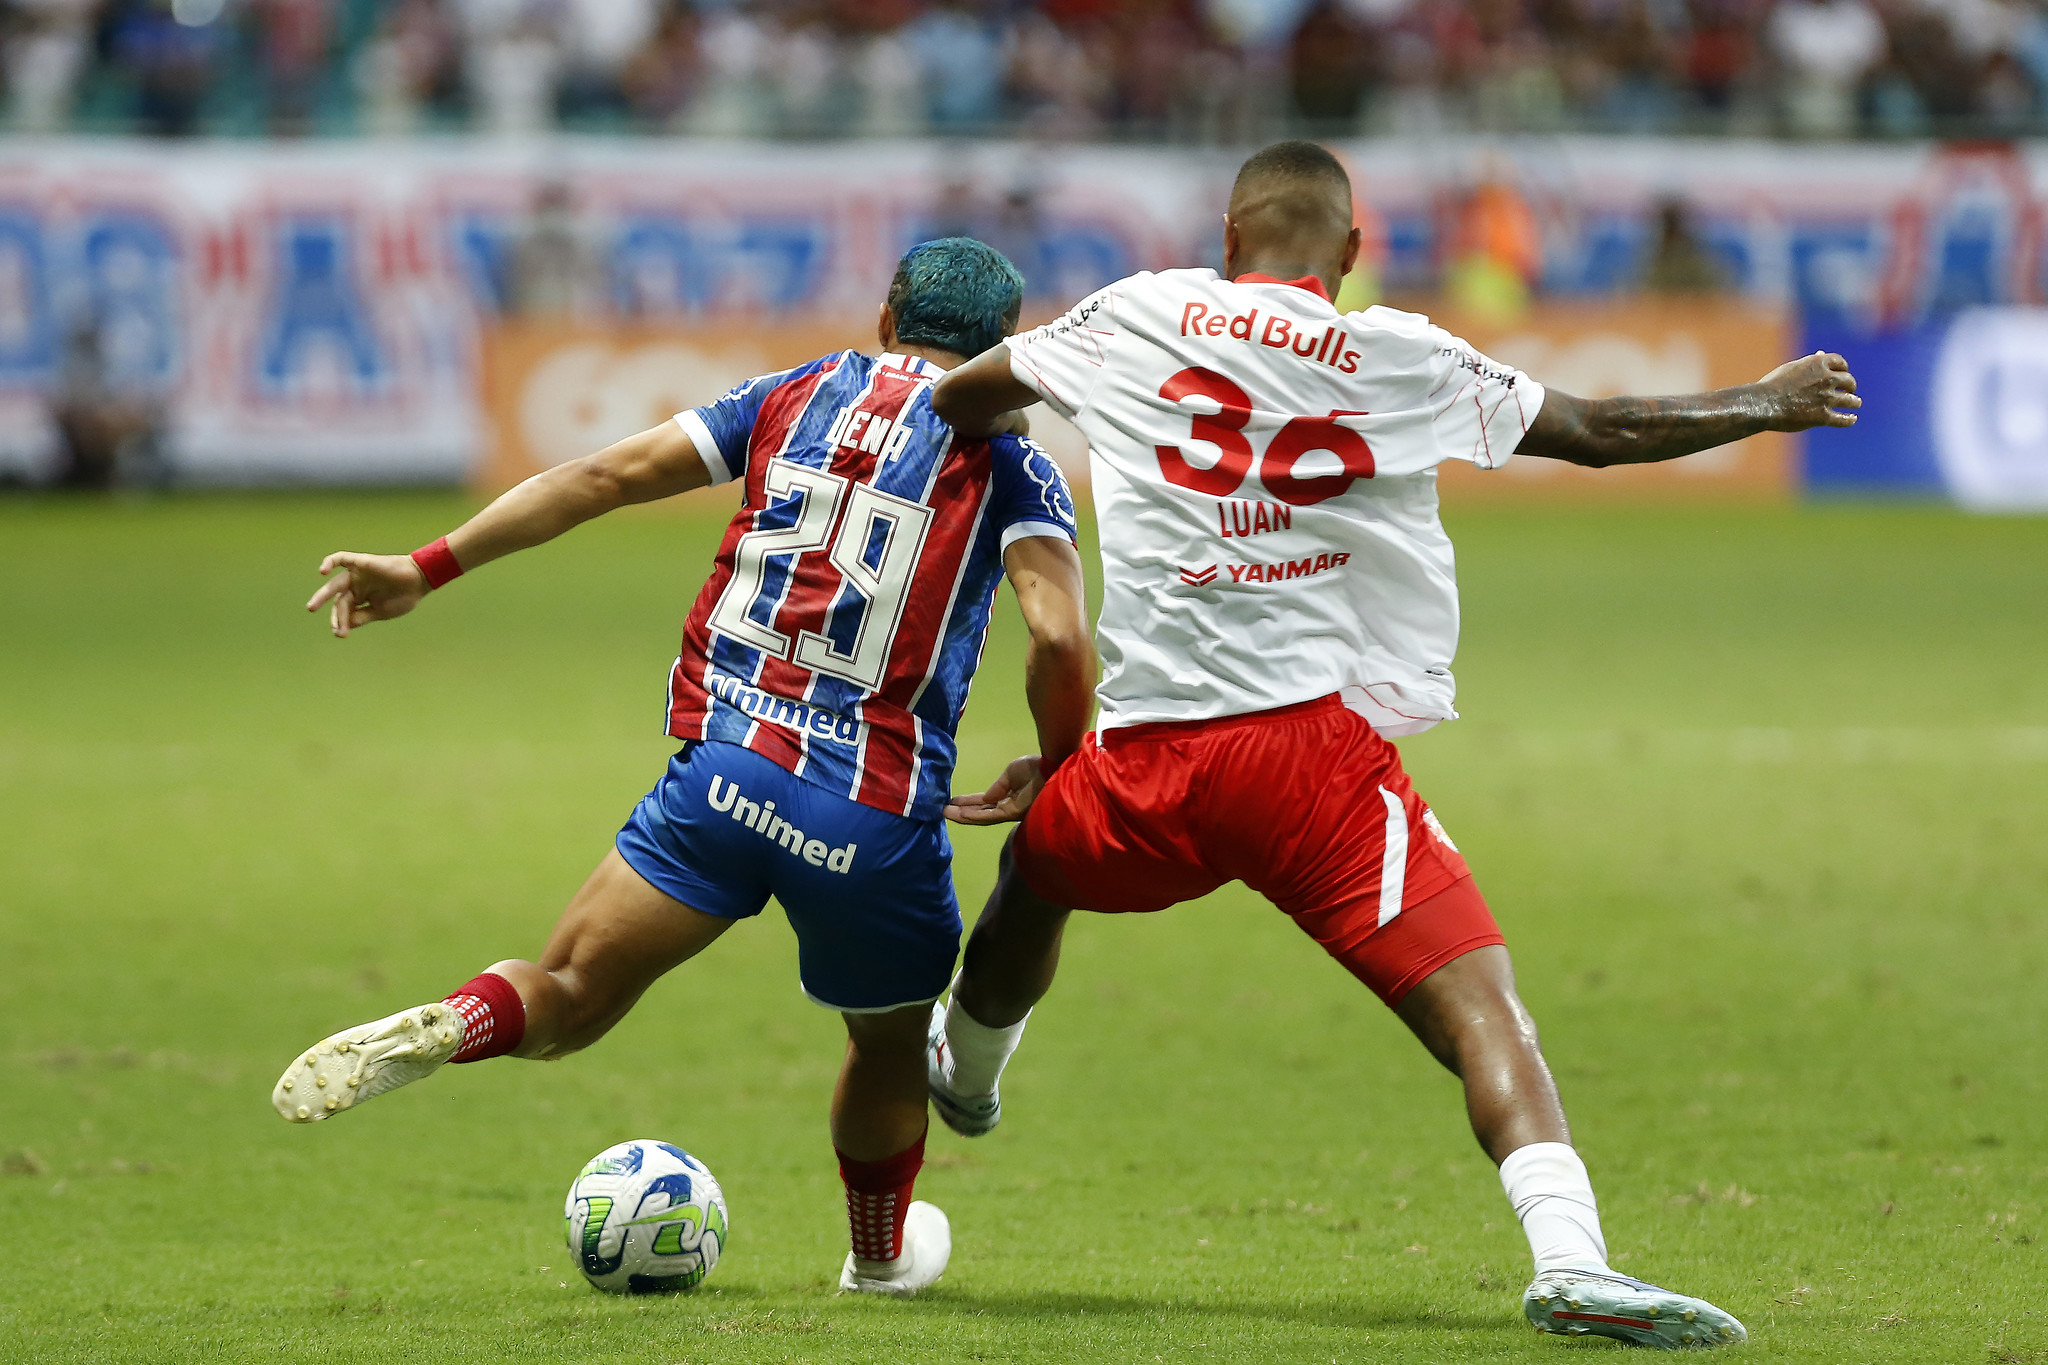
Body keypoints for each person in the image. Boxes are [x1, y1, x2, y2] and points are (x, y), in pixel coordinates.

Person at [926, 141, 1859, 1349]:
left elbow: (963, 399)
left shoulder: (1136, 312)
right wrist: (1763, 402)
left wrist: (1016, 442)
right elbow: (1594, 428)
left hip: (1144, 763)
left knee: (1036, 871)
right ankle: (1570, 1260)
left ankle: (968, 1073)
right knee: (1482, 1007)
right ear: (1351, 254)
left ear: (1226, 235)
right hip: (1308, 766)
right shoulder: (1395, 351)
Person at [272, 238, 1094, 1299]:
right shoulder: (1016, 465)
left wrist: (426, 566)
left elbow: (603, 474)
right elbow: (1060, 639)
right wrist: (1062, 765)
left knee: (566, 993)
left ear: (889, 315)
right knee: (890, 1050)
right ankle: (880, 1259)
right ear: (1004, 349)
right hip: (869, 820)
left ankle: (458, 1020)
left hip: (725, 775)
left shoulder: (794, 394)